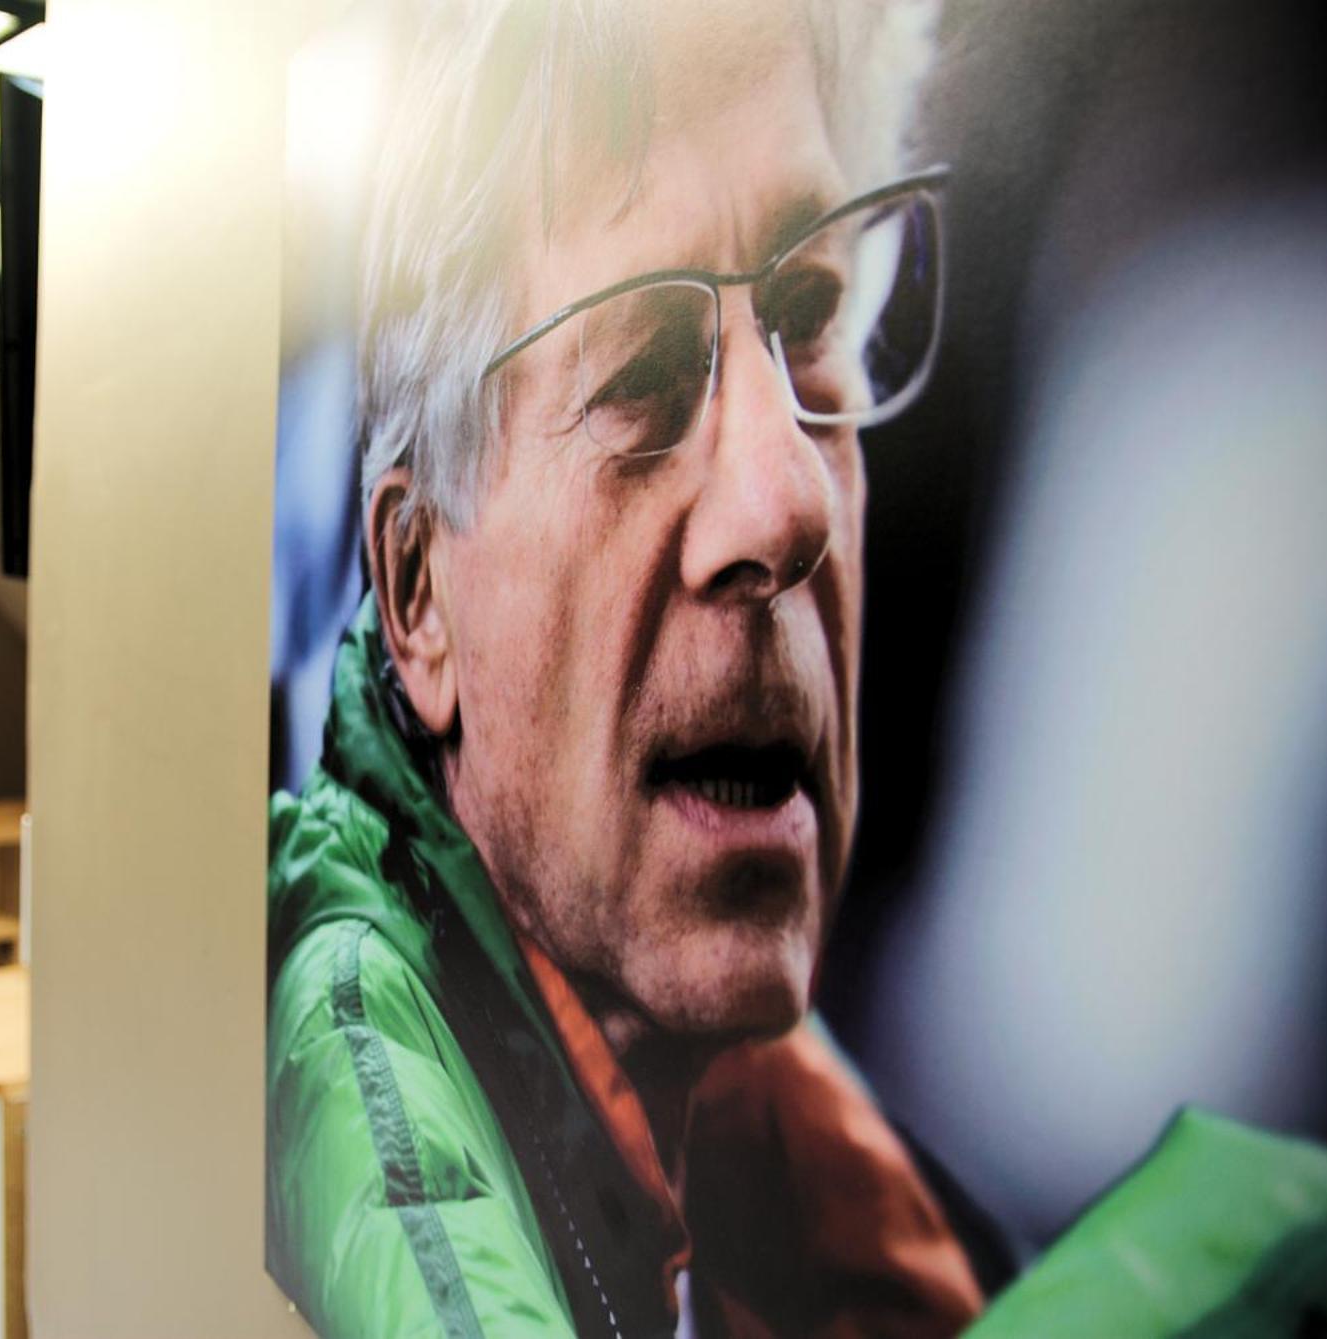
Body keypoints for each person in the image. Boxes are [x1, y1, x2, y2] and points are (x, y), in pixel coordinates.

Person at [266, 2, 988, 1334]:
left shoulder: (713, 1048)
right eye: (648, 368)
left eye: (810, 308)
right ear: (417, 590)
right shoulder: (360, 1043)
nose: (788, 504)